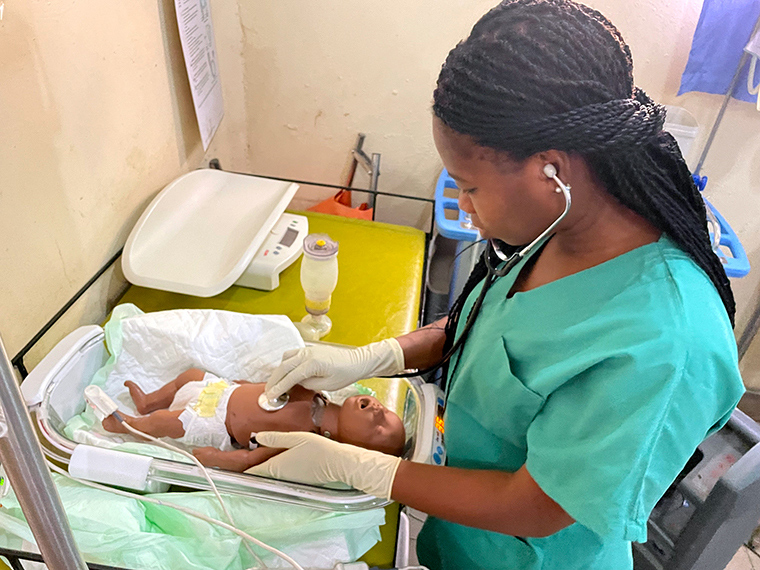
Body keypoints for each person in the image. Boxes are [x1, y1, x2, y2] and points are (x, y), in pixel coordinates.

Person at [247, 1, 746, 569]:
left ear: (550, 169)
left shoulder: (663, 342)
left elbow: (534, 509)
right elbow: (485, 324)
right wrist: (373, 356)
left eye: (469, 187)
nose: (463, 206)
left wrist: (359, 468)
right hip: (462, 537)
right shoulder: (556, 225)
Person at [101, 367, 406, 472]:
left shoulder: (307, 439)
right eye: (388, 413)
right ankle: (148, 402)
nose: (379, 411)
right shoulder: (321, 393)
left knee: (168, 423)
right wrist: (244, 384)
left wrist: (219, 458)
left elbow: (253, 458)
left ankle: (128, 425)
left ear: (354, 447)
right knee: (189, 377)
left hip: (217, 422)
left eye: (379, 427)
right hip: (223, 390)